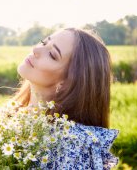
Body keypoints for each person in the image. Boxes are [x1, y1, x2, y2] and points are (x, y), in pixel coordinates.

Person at [14, 27, 119, 169]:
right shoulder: (10, 117)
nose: (36, 50)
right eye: (44, 43)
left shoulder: (75, 149)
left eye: (52, 54)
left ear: (68, 82)